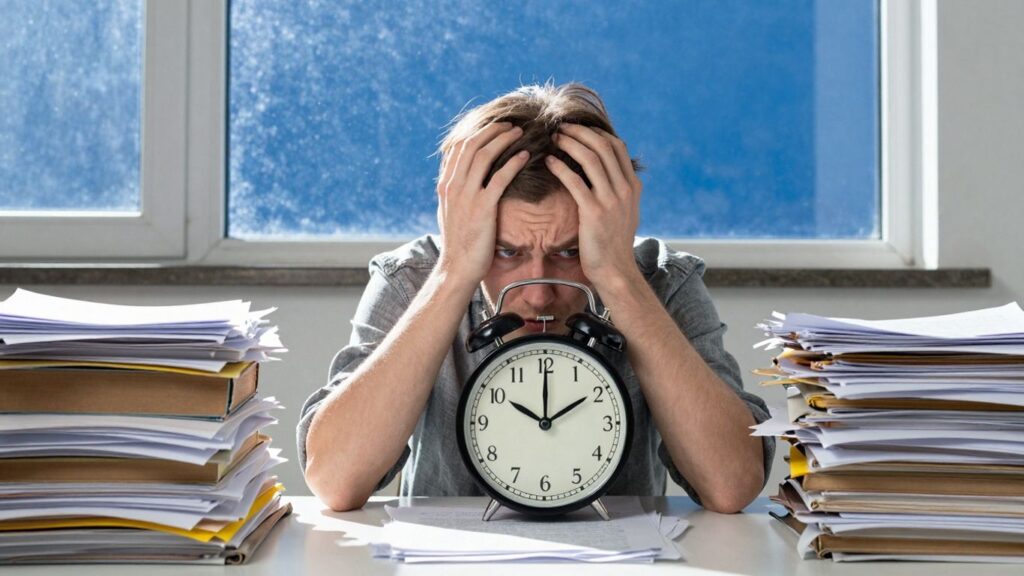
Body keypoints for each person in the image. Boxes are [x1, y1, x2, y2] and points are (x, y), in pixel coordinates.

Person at [298, 83, 774, 513]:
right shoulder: (414, 279)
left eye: (570, 252)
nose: (540, 292)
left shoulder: (661, 282)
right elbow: (335, 481)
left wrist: (619, 278)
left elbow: (731, 486)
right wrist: (454, 273)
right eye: (507, 252)